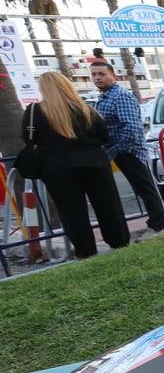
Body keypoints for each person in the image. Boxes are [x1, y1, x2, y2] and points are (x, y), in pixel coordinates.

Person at [23, 72, 129, 258]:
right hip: (94, 162)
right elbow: (103, 135)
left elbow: (27, 138)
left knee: (72, 212)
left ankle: (86, 251)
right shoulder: (85, 108)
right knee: (108, 206)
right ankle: (120, 244)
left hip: (57, 166)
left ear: (43, 89)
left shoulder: (35, 111)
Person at [90, 60, 164, 236]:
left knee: (145, 188)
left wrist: (116, 149)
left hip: (128, 151)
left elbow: (131, 127)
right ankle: (156, 223)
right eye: (94, 74)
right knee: (143, 189)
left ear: (113, 76)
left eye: (102, 74)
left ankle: (158, 226)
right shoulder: (105, 96)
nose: (97, 78)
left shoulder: (119, 96)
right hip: (121, 150)